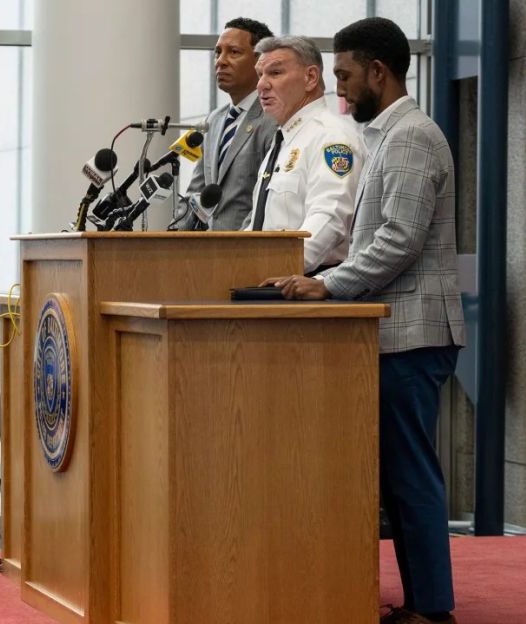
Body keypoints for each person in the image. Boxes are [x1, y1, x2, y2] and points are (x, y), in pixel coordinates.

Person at [261, 17, 465, 624]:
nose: (341, 92)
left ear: (379, 71)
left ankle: (433, 608)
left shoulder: (409, 138)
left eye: (346, 77)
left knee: (412, 477)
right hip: (397, 330)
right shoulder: (387, 134)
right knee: (400, 478)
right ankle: (423, 602)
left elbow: (397, 241)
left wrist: (326, 283)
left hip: (413, 333)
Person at [244, 35, 363, 274]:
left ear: (310, 78)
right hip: (270, 281)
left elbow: (330, 217)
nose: (261, 85)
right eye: (260, 75)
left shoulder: (331, 137)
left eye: (275, 73)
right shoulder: (284, 141)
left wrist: (271, 269)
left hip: (307, 285)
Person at [179, 17, 277, 231]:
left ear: (260, 62)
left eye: (233, 52)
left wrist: (236, 246)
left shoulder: (273, 120)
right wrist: (174, 238)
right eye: (218, 52)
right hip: (205, 253)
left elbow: (268, 201)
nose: (220, 61)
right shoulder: (214, 120)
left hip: (245, 251)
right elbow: (195, 192)